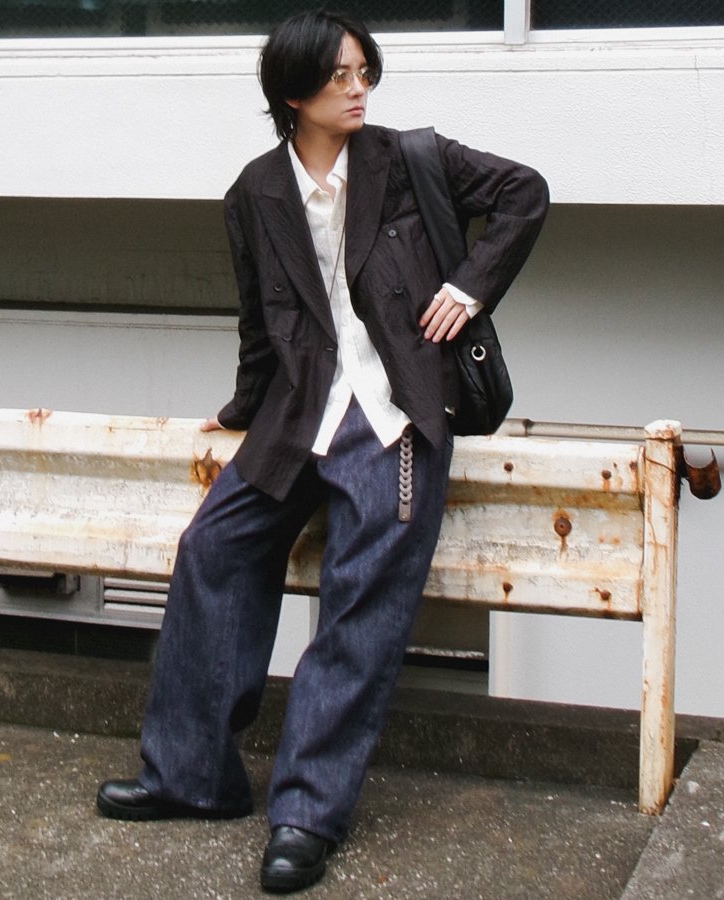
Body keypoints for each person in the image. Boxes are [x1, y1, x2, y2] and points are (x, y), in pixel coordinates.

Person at [96, 9, 549, 894]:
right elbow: (258, 323)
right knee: (213, 549)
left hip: (395, 416)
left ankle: (306, 812)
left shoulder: (410, 160)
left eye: (363, 71)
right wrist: (241, 410)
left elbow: (525, 194)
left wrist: (469, 287)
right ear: (294, 92)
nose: (358, 88)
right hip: (299, 415)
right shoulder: (255, 193)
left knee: (359, 597)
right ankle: (190, 776)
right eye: (340, 75)